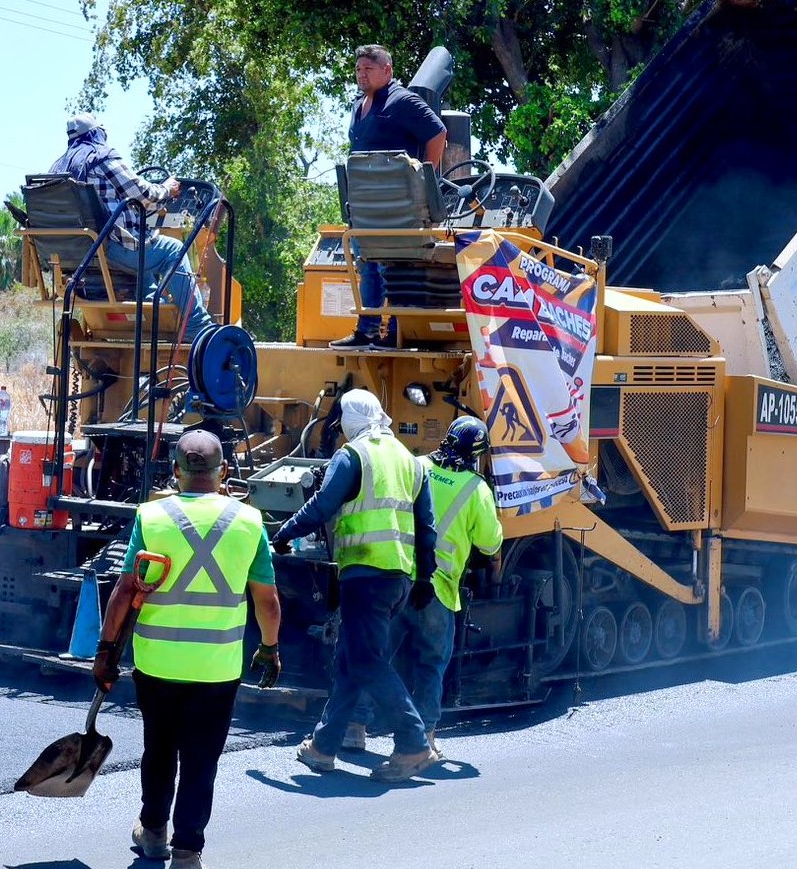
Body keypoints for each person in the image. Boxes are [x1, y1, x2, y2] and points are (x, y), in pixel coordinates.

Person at [93, 430, 281, 869]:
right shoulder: (250, 523)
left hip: (157, 664)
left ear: (175, 471)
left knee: (158, 749)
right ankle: (187, 851)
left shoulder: (153, 516)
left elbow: (124, 592)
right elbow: (267, 600)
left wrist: (105, 652)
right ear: (224, 473)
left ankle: (153, 832)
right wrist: (269, 648)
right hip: (216, 668)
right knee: (201, 759)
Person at [272, 389, 440, 782]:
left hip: (365, 574)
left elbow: (322, 505)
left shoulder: (354, 455)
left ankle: (414, 742)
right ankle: (323, 747)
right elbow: (427, 528)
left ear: (352, 419)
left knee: (366, 661)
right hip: (398, 576)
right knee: (351, 660)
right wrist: (425, 578)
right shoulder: (411, 461)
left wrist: (284, 532)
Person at [346, 416, 503, 758]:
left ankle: (355, 727)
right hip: (439, 591)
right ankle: (423, 739)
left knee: (376, 656)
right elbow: (490, 543)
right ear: (477, 454)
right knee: (430, 666)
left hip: (397, 578)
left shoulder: (417, 466)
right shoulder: (477, 490)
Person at [49, 112, 215, 340]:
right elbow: (142, 193)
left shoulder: (57, 168)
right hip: (109, 249)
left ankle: (153, 320)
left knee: (145, 260)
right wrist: (166, 189)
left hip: (75, 256)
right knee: (173, 250)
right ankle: (198, 326)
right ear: (97, 133)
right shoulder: (101, 158)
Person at [331, 43, 451, 351]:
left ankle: (396, 330)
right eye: (358, 69)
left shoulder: (403, 101)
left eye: (368, 69)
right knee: (366, 264)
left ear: (387, 70)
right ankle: (367, 329)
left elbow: (437, 133)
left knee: (393, 267)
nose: (362, 74)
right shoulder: (359, 105)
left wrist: (427, 176)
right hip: (365, 205)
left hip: (398, 206)